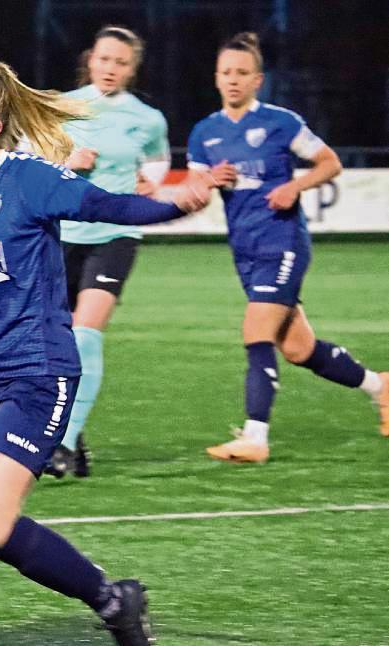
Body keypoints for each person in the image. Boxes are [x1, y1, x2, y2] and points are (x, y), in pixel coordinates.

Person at [0, 63, 210, 646]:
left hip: (38, 372)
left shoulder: (29, 179)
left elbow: (108, 206)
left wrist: (174, 205)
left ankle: (113, 600)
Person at [186, 32, 389, 464]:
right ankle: (381, 386)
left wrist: (295, 186)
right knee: (298, 349)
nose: (233, 80)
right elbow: (193, 192)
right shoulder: (205, 133)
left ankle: (255, 437)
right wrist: (208, 181)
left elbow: (329, 162)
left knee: (255, 331)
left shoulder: (281, 123)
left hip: (283, 242)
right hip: (245, 250)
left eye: (242, 73)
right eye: (226, 73)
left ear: (258, 80)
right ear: (216, 78)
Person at [45, 25, 171, 479]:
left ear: (131, 69)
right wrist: (67, 163)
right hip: (63, 235)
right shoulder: (65, 106)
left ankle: (59, 444)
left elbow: (156, 161)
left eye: (121, 62)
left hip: (116, 235)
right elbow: (37, 160)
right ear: (90, 59)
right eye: (104, 59)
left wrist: (151, 182)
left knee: (85, 335)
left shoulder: (147, 118)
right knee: (56, 342)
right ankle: (74, 441)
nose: (111, 68)